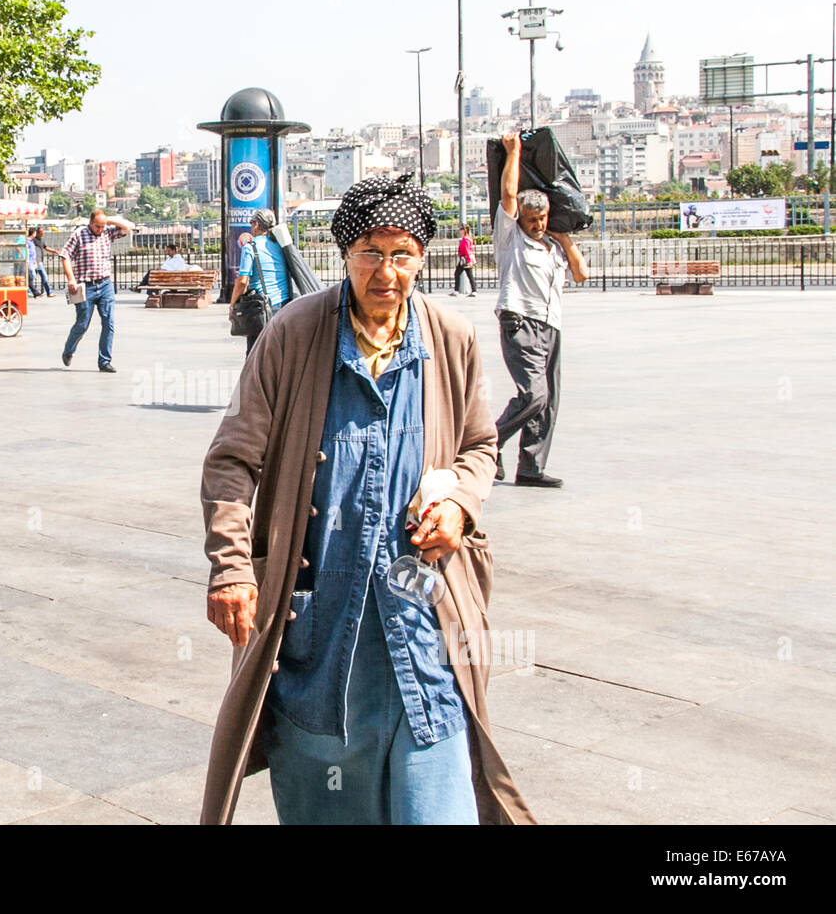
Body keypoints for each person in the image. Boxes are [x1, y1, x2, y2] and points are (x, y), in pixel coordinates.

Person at [199, 174, 535, 826]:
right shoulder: (293, 337)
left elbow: (480, 446)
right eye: (371, 253)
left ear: (423, 257)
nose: (387, 271)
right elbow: (232, 463)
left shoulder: (451, 339)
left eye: (403, 253)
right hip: (320, 656)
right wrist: (232, 568)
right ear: (344, 254)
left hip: (424, 644)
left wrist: (461, 503)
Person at [492, 131, 589, 488]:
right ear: (520, 219)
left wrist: (564, 237)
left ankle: (531, 467)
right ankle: (489, 444)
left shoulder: (554, 246)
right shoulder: (509, 238)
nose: (538, 224)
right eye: (533, 219)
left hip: (551, 326)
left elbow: (581, 273)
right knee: (534, 394)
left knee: (548, 401)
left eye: (544, 218)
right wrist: (513, 152)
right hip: (519, 320)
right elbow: (507, 195)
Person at [59, 209, 134, 373]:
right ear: (90, 223)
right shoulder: (79, 234)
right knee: (82, 324)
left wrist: (110, 221)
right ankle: (68, 350)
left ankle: (104, 361)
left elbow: (128, 227)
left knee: (109, 323)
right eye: (97, 226)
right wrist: (71, 278)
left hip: (105, 284)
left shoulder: (107, 232)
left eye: (102, 226)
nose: (100, 229)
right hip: (86, 286)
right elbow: (65, 255)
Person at [230, 209, 291, 356]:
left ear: (256, 225)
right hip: (285, 306)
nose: (251, 226)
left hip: (262, 309)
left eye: (251, 223)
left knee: (255, 355)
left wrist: (232, 305)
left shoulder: (251, 247)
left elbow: (242, 281)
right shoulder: (281, 246)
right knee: (280, 354)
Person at [451, 223, 475, 297]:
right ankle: (474, 290)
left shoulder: (465, 239)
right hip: (466, 258)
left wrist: (469, 260)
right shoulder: (468, 238)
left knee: (457, 273)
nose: (460, 231)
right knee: (469, 275)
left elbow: (467, 250)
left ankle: (456, 290)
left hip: (464, 259)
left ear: (465, 230)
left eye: (461, 229)